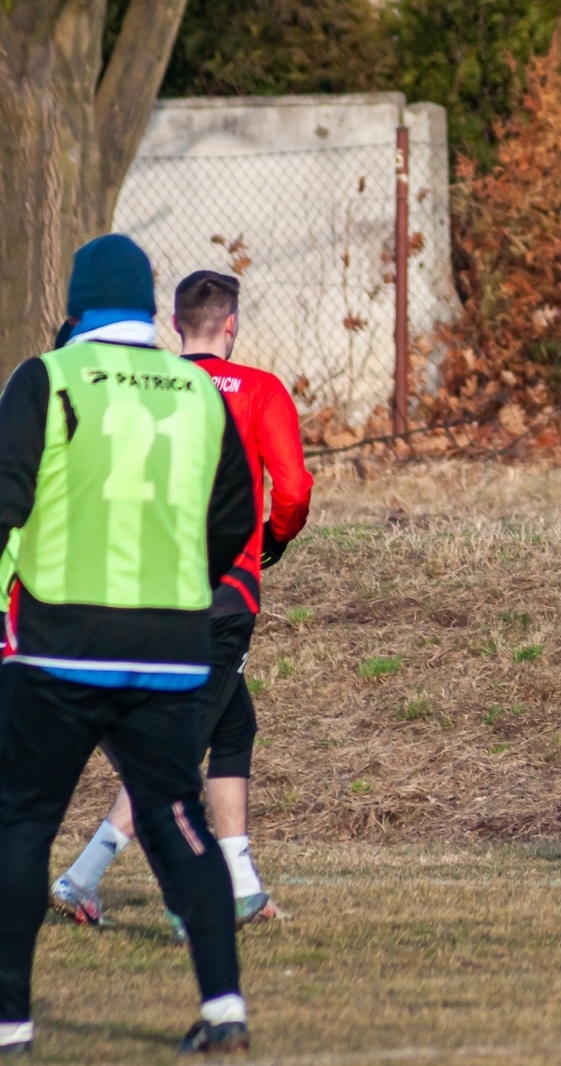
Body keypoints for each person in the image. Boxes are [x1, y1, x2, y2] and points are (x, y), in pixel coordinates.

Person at [0, 235, 258, 1055]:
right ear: (150, 308)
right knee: (178, 819)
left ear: (75, 306)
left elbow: (4, 499)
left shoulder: (48, 377)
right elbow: (236, 515)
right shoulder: (196, 389)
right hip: (170, 648)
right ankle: (224, 1008)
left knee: (22, 823)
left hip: (60, 644)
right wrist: (181, 584)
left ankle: (10, 1021)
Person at [51, 270, 313, 937]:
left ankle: (244, 885)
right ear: (232, 324)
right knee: (173, 755)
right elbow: (292, 489)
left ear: (175, 325)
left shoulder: (148, 386)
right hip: (221, 594)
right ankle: (86, 874)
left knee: (233, 727)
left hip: (145, 587)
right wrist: (275, 537)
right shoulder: (259, 389)